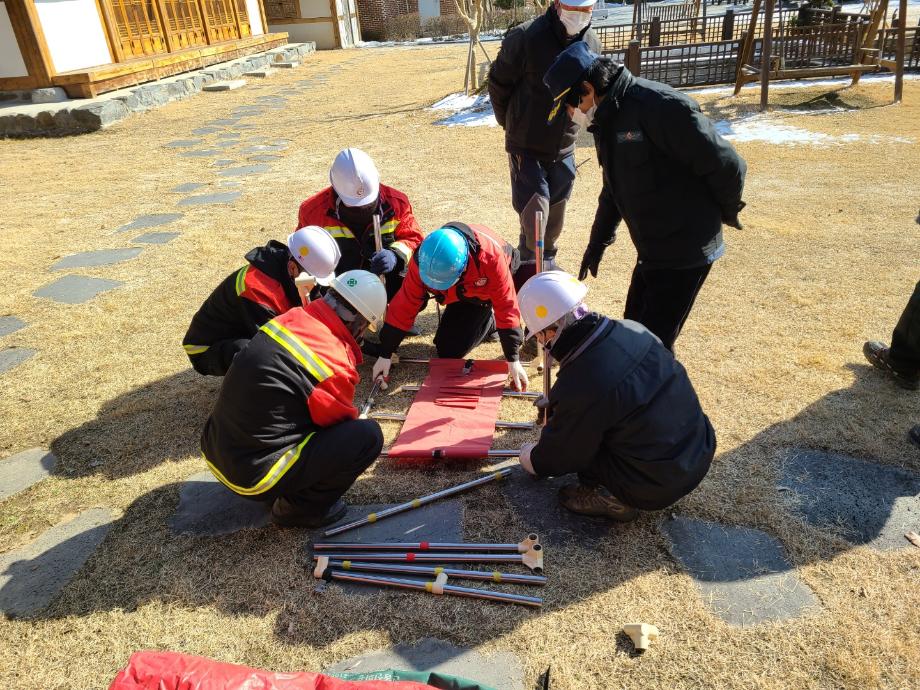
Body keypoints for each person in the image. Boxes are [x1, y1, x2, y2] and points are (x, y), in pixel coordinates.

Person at [543, 42, 747, 351]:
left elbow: (728, 164)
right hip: (652, 249)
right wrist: (597, 243)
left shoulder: (659, 107)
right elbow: (613, 187)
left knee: (651, 347)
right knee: (631, 331)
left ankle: (661, 395)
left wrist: (723, 212)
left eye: (572, 106)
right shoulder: (607, 120)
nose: (572, 116)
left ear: (588, 88)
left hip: (684, 250)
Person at [515, 271, 715, 521]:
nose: (542, 345)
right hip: (698, 447)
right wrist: (562, 401)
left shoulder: (582, 382)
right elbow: (620, 390)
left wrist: (532, 458)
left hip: (657, 484)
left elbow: (561, 455)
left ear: (551, 332)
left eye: (539, 337)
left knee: (583, 443)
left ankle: (609, 496)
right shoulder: (630, 329)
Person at [200, 270, 387, 527]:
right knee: (366, 437)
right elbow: (337, 427)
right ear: (362, 324)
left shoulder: (290, 318)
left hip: (217, 450)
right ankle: (297, 510)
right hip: (254, 476)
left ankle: (281, 477)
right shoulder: (333, 360)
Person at [488, 0, 601, 290]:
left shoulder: (591, 42)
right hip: (526, 145)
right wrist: (511, 124)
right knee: (535, 213)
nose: (578, 16)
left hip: (564, 145)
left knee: (555, 219)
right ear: (556, 4)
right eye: (572, 9)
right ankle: (529, 273)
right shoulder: (526, 37)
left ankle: (544, 267)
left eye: (585, 11)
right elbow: (498, 84)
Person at [370, 222, 529, 392]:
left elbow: (506, 305)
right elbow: (405, 304)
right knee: (448, 349)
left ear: (463, 267)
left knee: (456, 345)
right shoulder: (424, 258)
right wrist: (385, 353)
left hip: (485, 287)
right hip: (460, 290)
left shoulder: (491, 259)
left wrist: (513, 359)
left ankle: (490, 323)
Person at [182, 226, 341, 376]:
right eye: (314, 281)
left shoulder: (290, 270)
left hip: (242, 329)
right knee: (259, 354)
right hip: (207, 349)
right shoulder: (257, 290)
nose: (315, 287)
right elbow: (277, 346)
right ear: (293, 268)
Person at [296, 147, 425, 302]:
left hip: (386, 283)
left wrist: (395, 255)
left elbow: (414, 238)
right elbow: (301, 255)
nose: (363, 207)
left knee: (413, 282)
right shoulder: (313, 212)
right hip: (337, 288)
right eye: (354, 205)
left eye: (368, 202)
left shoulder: (397, 204)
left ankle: (396, 317)